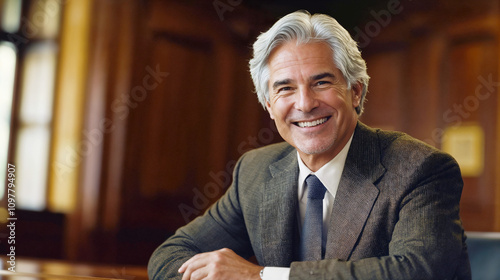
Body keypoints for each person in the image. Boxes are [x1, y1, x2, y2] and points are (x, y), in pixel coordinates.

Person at [148, 10, 471, 280]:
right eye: (285, 88)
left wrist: (261, 276)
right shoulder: (256, 171)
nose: (304, 103)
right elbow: (169, 257)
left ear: (355, 91)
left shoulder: (420, 168)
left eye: (322, 82)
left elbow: (418, 272)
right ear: (269, 105)